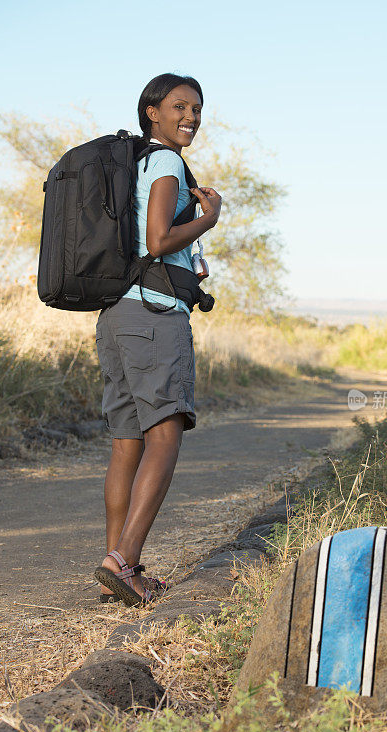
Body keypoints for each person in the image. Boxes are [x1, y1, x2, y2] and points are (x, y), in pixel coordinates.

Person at [94, 73, 222, 606]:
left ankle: (118, 566)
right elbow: (158, 240)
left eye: (196, 108)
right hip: (154, 318)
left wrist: (188, 265)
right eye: (178, 106)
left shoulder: (137, 165)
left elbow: (151, 248)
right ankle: (123, 563)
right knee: (164, 438)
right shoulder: (167, 163)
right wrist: (209, 219)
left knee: (128, 444)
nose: (190, 116)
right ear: (152, 111)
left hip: (117, 316)